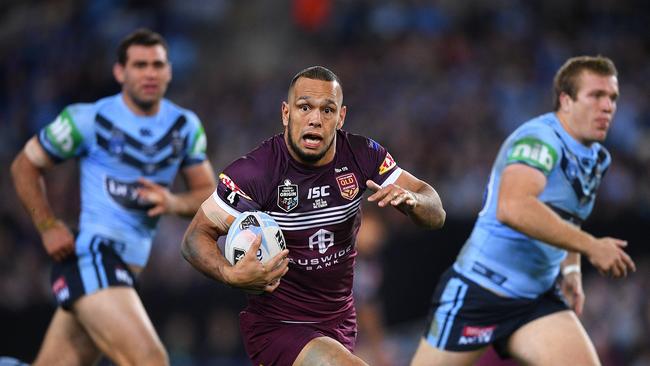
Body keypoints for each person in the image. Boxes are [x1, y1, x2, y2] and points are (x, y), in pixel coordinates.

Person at [181, 65, 446, 365]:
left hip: (340, 323)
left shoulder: (363, 155)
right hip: (278, 327)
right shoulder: (256, 172)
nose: (315, 119)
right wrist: (230, 274)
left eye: (327, 110)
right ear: (286, 113)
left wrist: (413, 201)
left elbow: (436, 211)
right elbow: (194, 239)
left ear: (340, 117)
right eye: (304, 107)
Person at [410, 55, 636, 366]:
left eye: (612, 97)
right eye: (596, 95)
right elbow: (513, 207)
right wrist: (592, 247)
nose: (607, 106)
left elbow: (565, 218)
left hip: (535, 299)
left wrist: (570, 269)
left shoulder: (597, 158)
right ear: (566, 100)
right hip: (481, 291)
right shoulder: (540, 140)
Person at [10, 28, 216, 366]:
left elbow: (208, 192)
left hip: (124, 270)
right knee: (150, 360)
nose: (150, 73)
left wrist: (174, 202)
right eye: (139, 65)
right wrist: (47, 225)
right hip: (92, 256)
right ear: (120, 72)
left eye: (157, 64)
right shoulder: (87, 119)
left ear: (169, 71)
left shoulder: (184, 126)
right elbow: (24, 166)